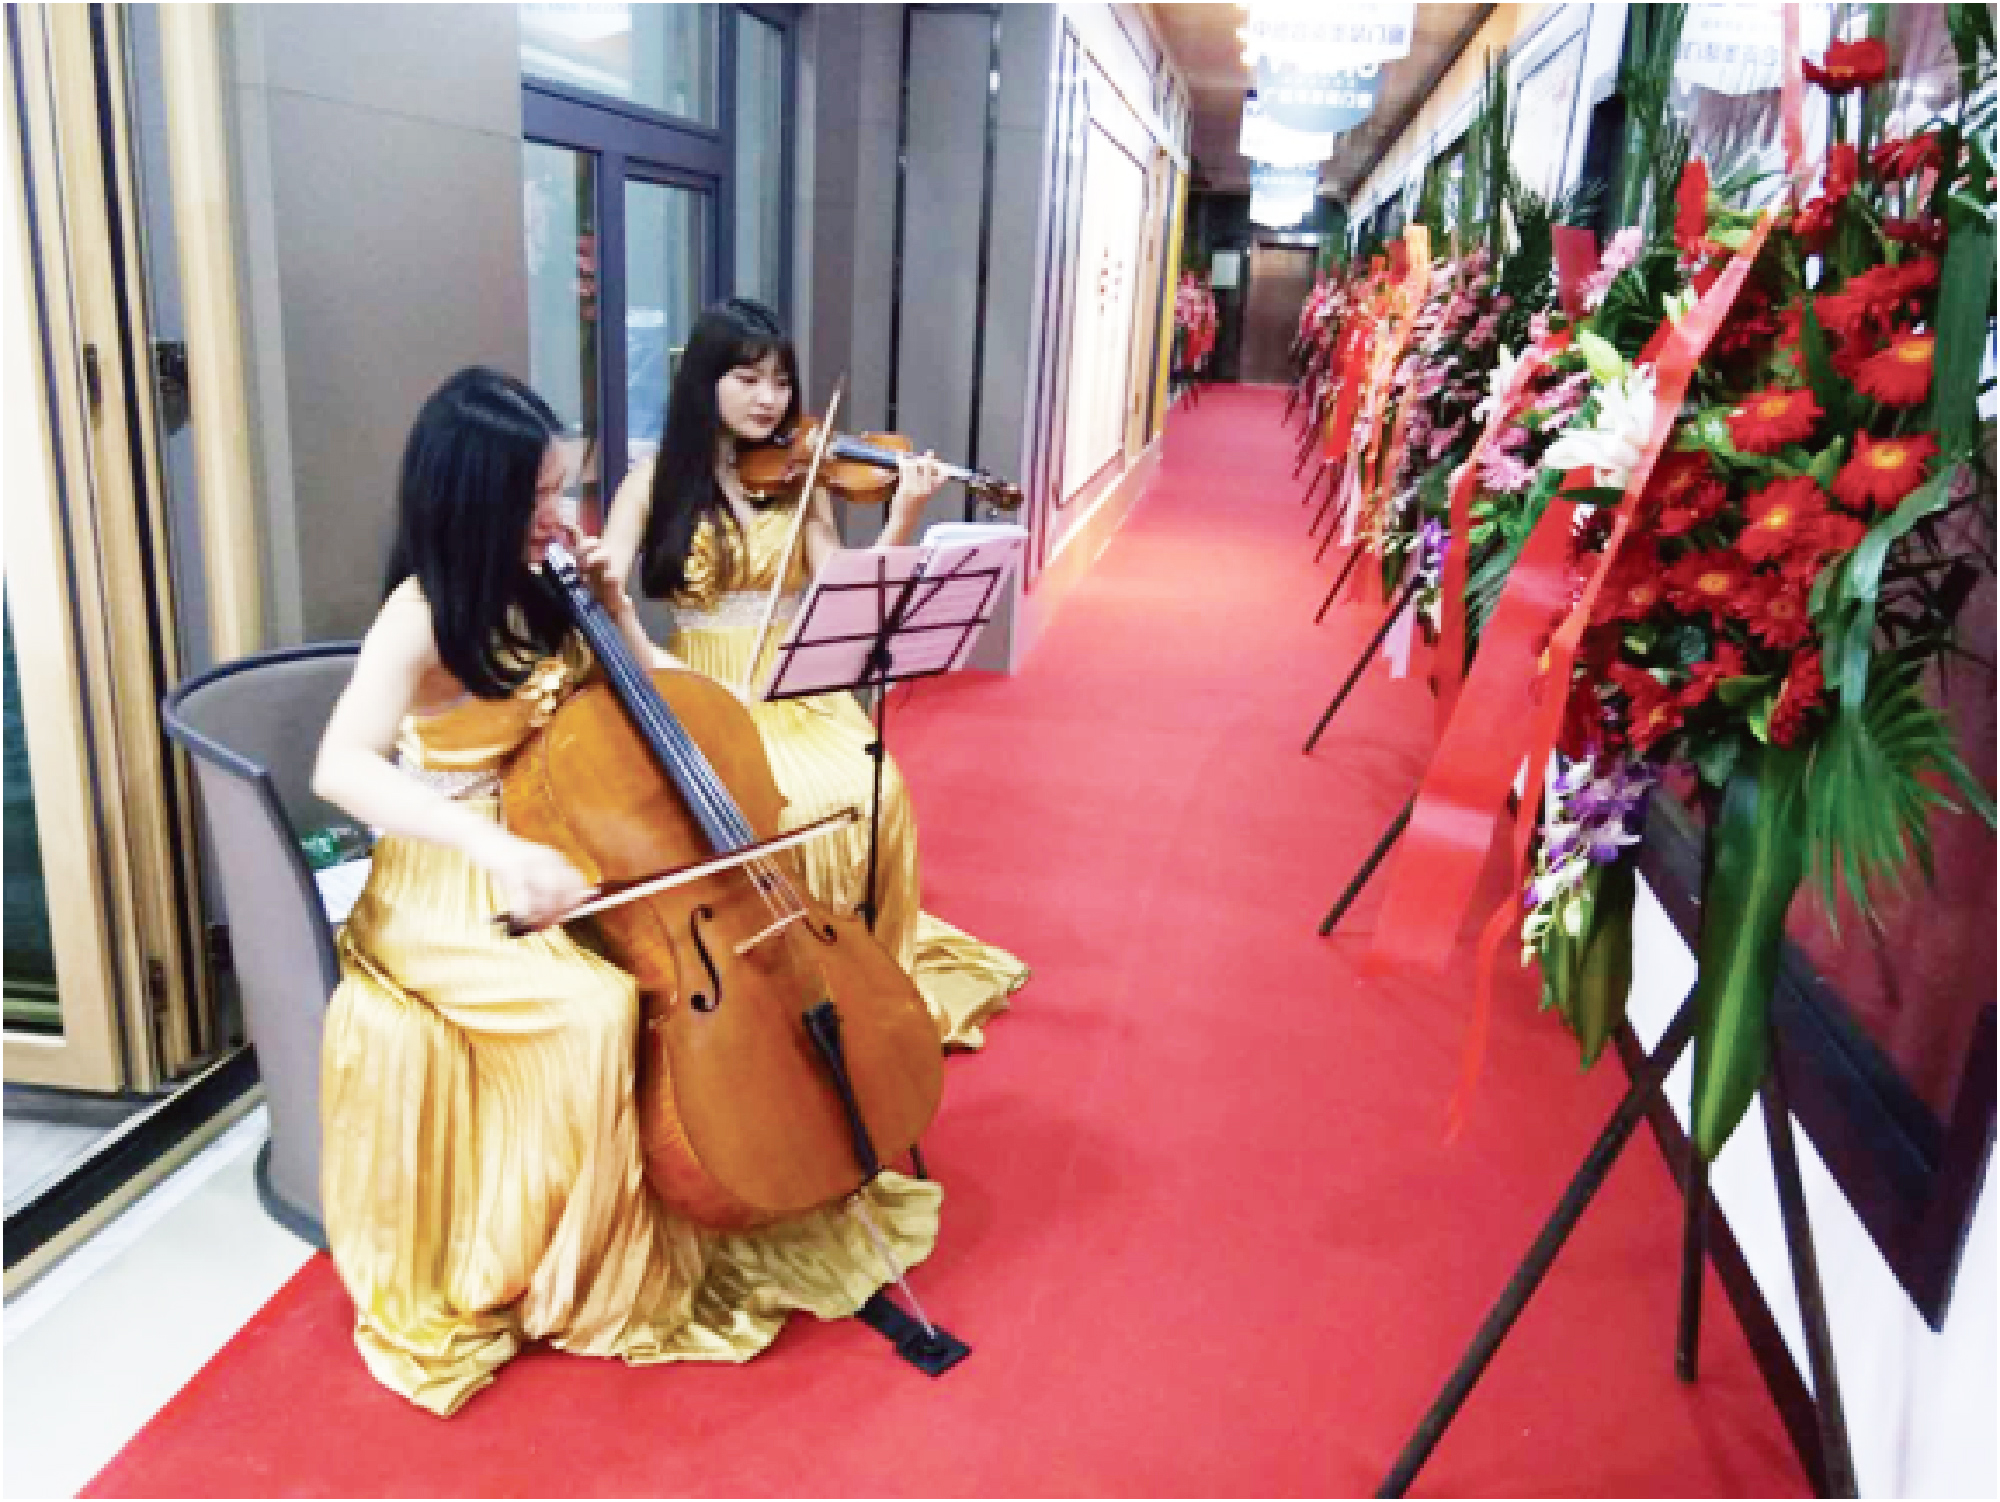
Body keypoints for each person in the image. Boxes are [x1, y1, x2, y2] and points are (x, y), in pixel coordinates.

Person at [312, 367, 940, 1417]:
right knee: (595, 1006)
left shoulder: (547, 579)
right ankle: (578, 1263)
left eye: (560, 488)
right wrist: (490, 846)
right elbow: (341, 766)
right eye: (536, 496)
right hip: (453, 871)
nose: (558, 514)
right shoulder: (419, 614)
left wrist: (613, 611)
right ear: (472, 497)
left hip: (568, 847)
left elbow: (664, 692)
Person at [602, 298, 1027, 1051]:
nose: (769, 399)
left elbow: (845, 583)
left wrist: (902, 516)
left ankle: (859, 976)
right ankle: (785, 993)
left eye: (780, 382)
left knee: (876, 788)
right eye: (748, 379)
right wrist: (600, 582)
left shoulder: (804, 477)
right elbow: (604, 582)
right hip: (701, 684)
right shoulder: (653, 480)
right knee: (789, 807)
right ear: (705, 380)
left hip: (799, 680)